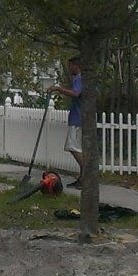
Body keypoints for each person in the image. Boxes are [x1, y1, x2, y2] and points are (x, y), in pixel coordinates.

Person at [48, 57, 90, 188]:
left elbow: (76, 93)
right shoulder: (80, 79)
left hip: (78, 119)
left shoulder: (79, 78)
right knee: (76, 148)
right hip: (78, 117)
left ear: (76, 65)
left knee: (73, 147)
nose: (69, 68)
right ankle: (82, 177)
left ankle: (87, 175)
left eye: (70, 65)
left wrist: (58, 89)